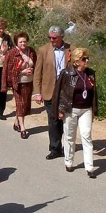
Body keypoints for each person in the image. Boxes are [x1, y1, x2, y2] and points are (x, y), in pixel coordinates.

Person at [53, 47, 98, 177]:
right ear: (77, 61)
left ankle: (89, 167)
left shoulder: (90, 73)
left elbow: (94, 94)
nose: (87, 61)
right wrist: (60, 110)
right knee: (69, 136)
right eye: (84, 59)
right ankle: (69, 161)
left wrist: (94, 109)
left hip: (86, 109)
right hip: (70, 109)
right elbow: (59, 92)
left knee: (86, 136)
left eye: (87, 58)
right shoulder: (66, 73)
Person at [33, 25, 72, 160]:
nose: (51, 40)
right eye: (49, 37)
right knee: (53, 119)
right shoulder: (43, 50)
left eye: (54, 38)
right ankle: (55, 148)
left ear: (61, 37)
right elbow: (37, 73)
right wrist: (37, 92)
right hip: (49, 90)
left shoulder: (70, 49)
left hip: (66, 91)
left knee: (65, 120)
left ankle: (65, 146)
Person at [4, 32, 37, 138]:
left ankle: (16, 122)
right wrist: (22, 72)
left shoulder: (31, 51)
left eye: (24, 41)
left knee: (26, 105)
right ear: (16, 43)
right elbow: (8, 71)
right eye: (20, 42)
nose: (23, 43)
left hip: (29, 83)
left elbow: (36, 65)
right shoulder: (12, 53)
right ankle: (23, 128)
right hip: (17, 83)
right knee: (20, 104)